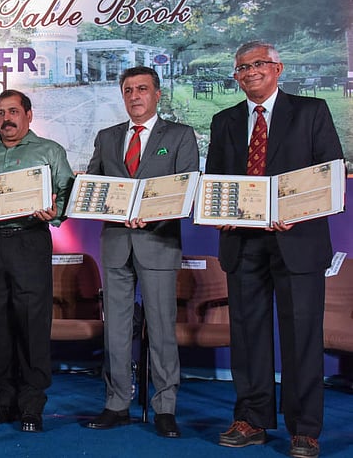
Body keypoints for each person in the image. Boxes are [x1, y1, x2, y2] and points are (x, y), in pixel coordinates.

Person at [207, 41, 342, 458]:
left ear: (278, 68)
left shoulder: (312, 111)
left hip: (298, 241)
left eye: (258, 64)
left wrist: (298, 212)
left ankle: (304, 429)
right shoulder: (224, 120)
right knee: (248, 333)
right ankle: (251, 419)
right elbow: (215, 178)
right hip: (242, 242)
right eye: (241, 67)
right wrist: (218, 211)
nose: (249, 72)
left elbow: (330, 172)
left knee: (302, 335)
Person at [83, 66, 199, 438]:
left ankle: (165, 408)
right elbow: (94, 187)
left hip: (159, 243)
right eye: (129, 90)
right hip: (116, 244)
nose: (135, 96)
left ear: (157, 94)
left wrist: (152, 215)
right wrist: (99, 201)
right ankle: (117, 403)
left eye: (142, 89)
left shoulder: (180, 136)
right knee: (116, 330)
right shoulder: (107, 137)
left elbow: (188, 189)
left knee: (162, 329)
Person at [0, 89, 74, 433]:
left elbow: (68, 192)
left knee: (31, 322)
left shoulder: (49, 151)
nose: (6, 119)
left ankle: (31, 403)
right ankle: (3, 399)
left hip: (30, 239)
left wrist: (55, 212)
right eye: (0, 112)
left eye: (13, 111)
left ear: (28, 115)